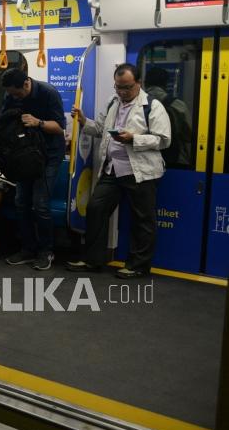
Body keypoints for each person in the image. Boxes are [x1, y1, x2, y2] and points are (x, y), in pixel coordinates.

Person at [67, 63, 170, 278]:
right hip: (112, 168)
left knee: (142, 219)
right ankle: (93, 260)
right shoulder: (113, 103)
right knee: (96, 208)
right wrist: (84, 120)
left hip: (140, 171)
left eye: (127, 87)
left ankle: (138, 266)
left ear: (138, 83)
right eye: (118, 87)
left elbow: (163, 140)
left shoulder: (152, 106)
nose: (122, 92)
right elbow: (100, 130)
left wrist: (134, 138)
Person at [0, 65, 66, 270]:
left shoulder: (48, 93)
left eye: (17, 92)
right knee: (21, 201)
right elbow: (5, 119)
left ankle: (46, 251)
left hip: (48, 156)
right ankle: (28, 249)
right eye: (11, 94)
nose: (14, 97)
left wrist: (39, 122)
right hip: (23, 155)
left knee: (40, 203)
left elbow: (59, 127)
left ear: (26, 83)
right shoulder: (12, 95)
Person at [144, 66, 191, 167]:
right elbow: (188, 136)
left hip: (144, 160)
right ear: (165, 84)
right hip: (174, 160)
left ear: (145, 83)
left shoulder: (135, 104)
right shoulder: (178, 105)